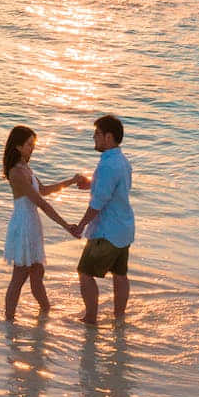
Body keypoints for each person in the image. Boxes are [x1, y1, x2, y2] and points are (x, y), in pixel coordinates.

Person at [2, 125, 84, 321]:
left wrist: (71, 181)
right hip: (24, 225)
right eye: (29, 145)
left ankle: (46, 314)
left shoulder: (26, 168)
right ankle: (9, 322)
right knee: (20, 275)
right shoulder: (17, 173)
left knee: (37, 273)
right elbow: (41, 203)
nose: (32, 148)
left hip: (32, 224)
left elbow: (44, 190)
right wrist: (67, 226)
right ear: (18, 147)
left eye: (33, 144)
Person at [74, 114, 135, 325]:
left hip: (107, 231)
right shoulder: (122, 161)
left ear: (109, 137)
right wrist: (91, 183)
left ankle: (90, 317)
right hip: (123, 229)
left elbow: (98, 203)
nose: (94, 137)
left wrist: (81, 226)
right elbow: (115, 188)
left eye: (97, 134)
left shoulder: (109, 165)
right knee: (120, 274)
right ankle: (119, 317)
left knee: (85, 272)